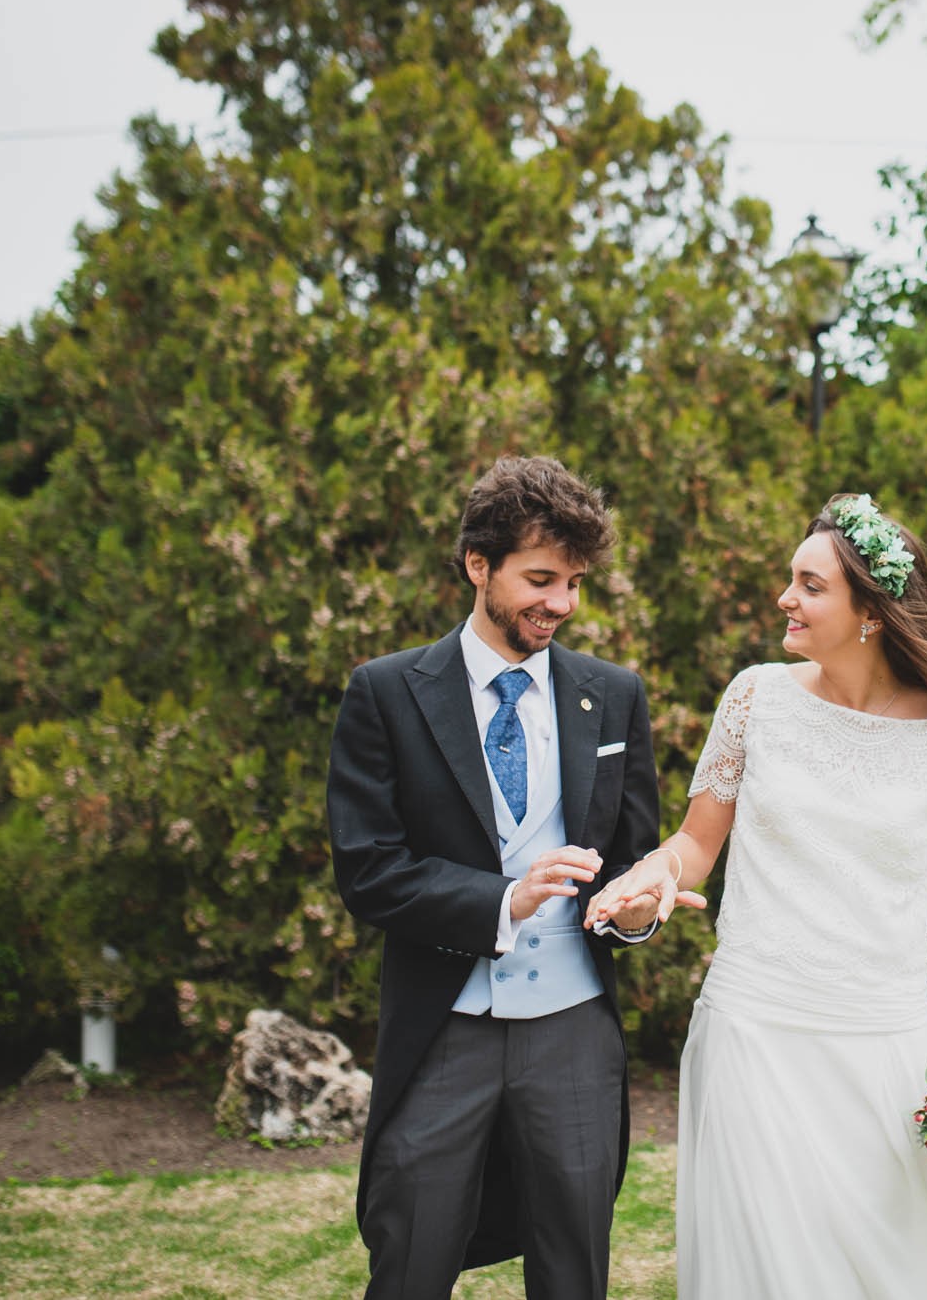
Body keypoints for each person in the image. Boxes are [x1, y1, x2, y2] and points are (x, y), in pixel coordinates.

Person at [586, 492, 927, 1300]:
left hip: (886, 1045)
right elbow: (696, 842)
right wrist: (655, 875)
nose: (785, 599)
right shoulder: (756, 697)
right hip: (752, 1033)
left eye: (809, 585)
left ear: (870, 610)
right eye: (790, 580)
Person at [328, 455, 697, 1300]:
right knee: (411, 1255)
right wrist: (503, 898)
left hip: (574, 1030)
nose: (561, 603)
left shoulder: (613, 694)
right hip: (443, 1025)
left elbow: (632, 862)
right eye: (540, 579)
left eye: (574, 582)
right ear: (478, 565)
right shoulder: (385, 692)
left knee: (574, 1264)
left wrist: (636, 911)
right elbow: (369, 870)